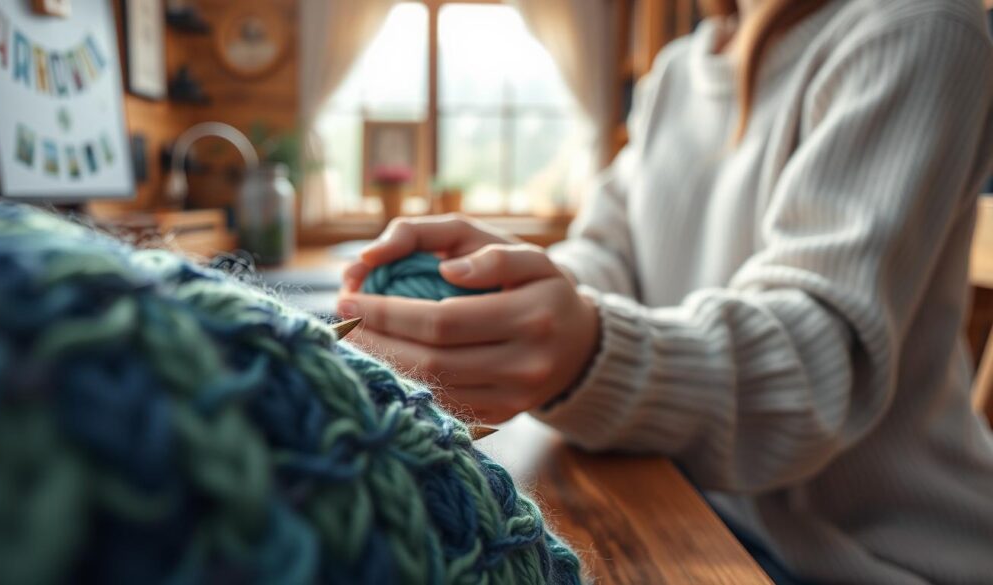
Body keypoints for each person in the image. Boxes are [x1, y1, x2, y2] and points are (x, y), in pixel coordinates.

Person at [338, 0, 993, 582]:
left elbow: (812, 363)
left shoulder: (920, 25)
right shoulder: (678, 71)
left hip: (865, 557)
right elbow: (607, 253)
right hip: (692, 499)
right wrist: (517, 289)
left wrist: (587, 350)